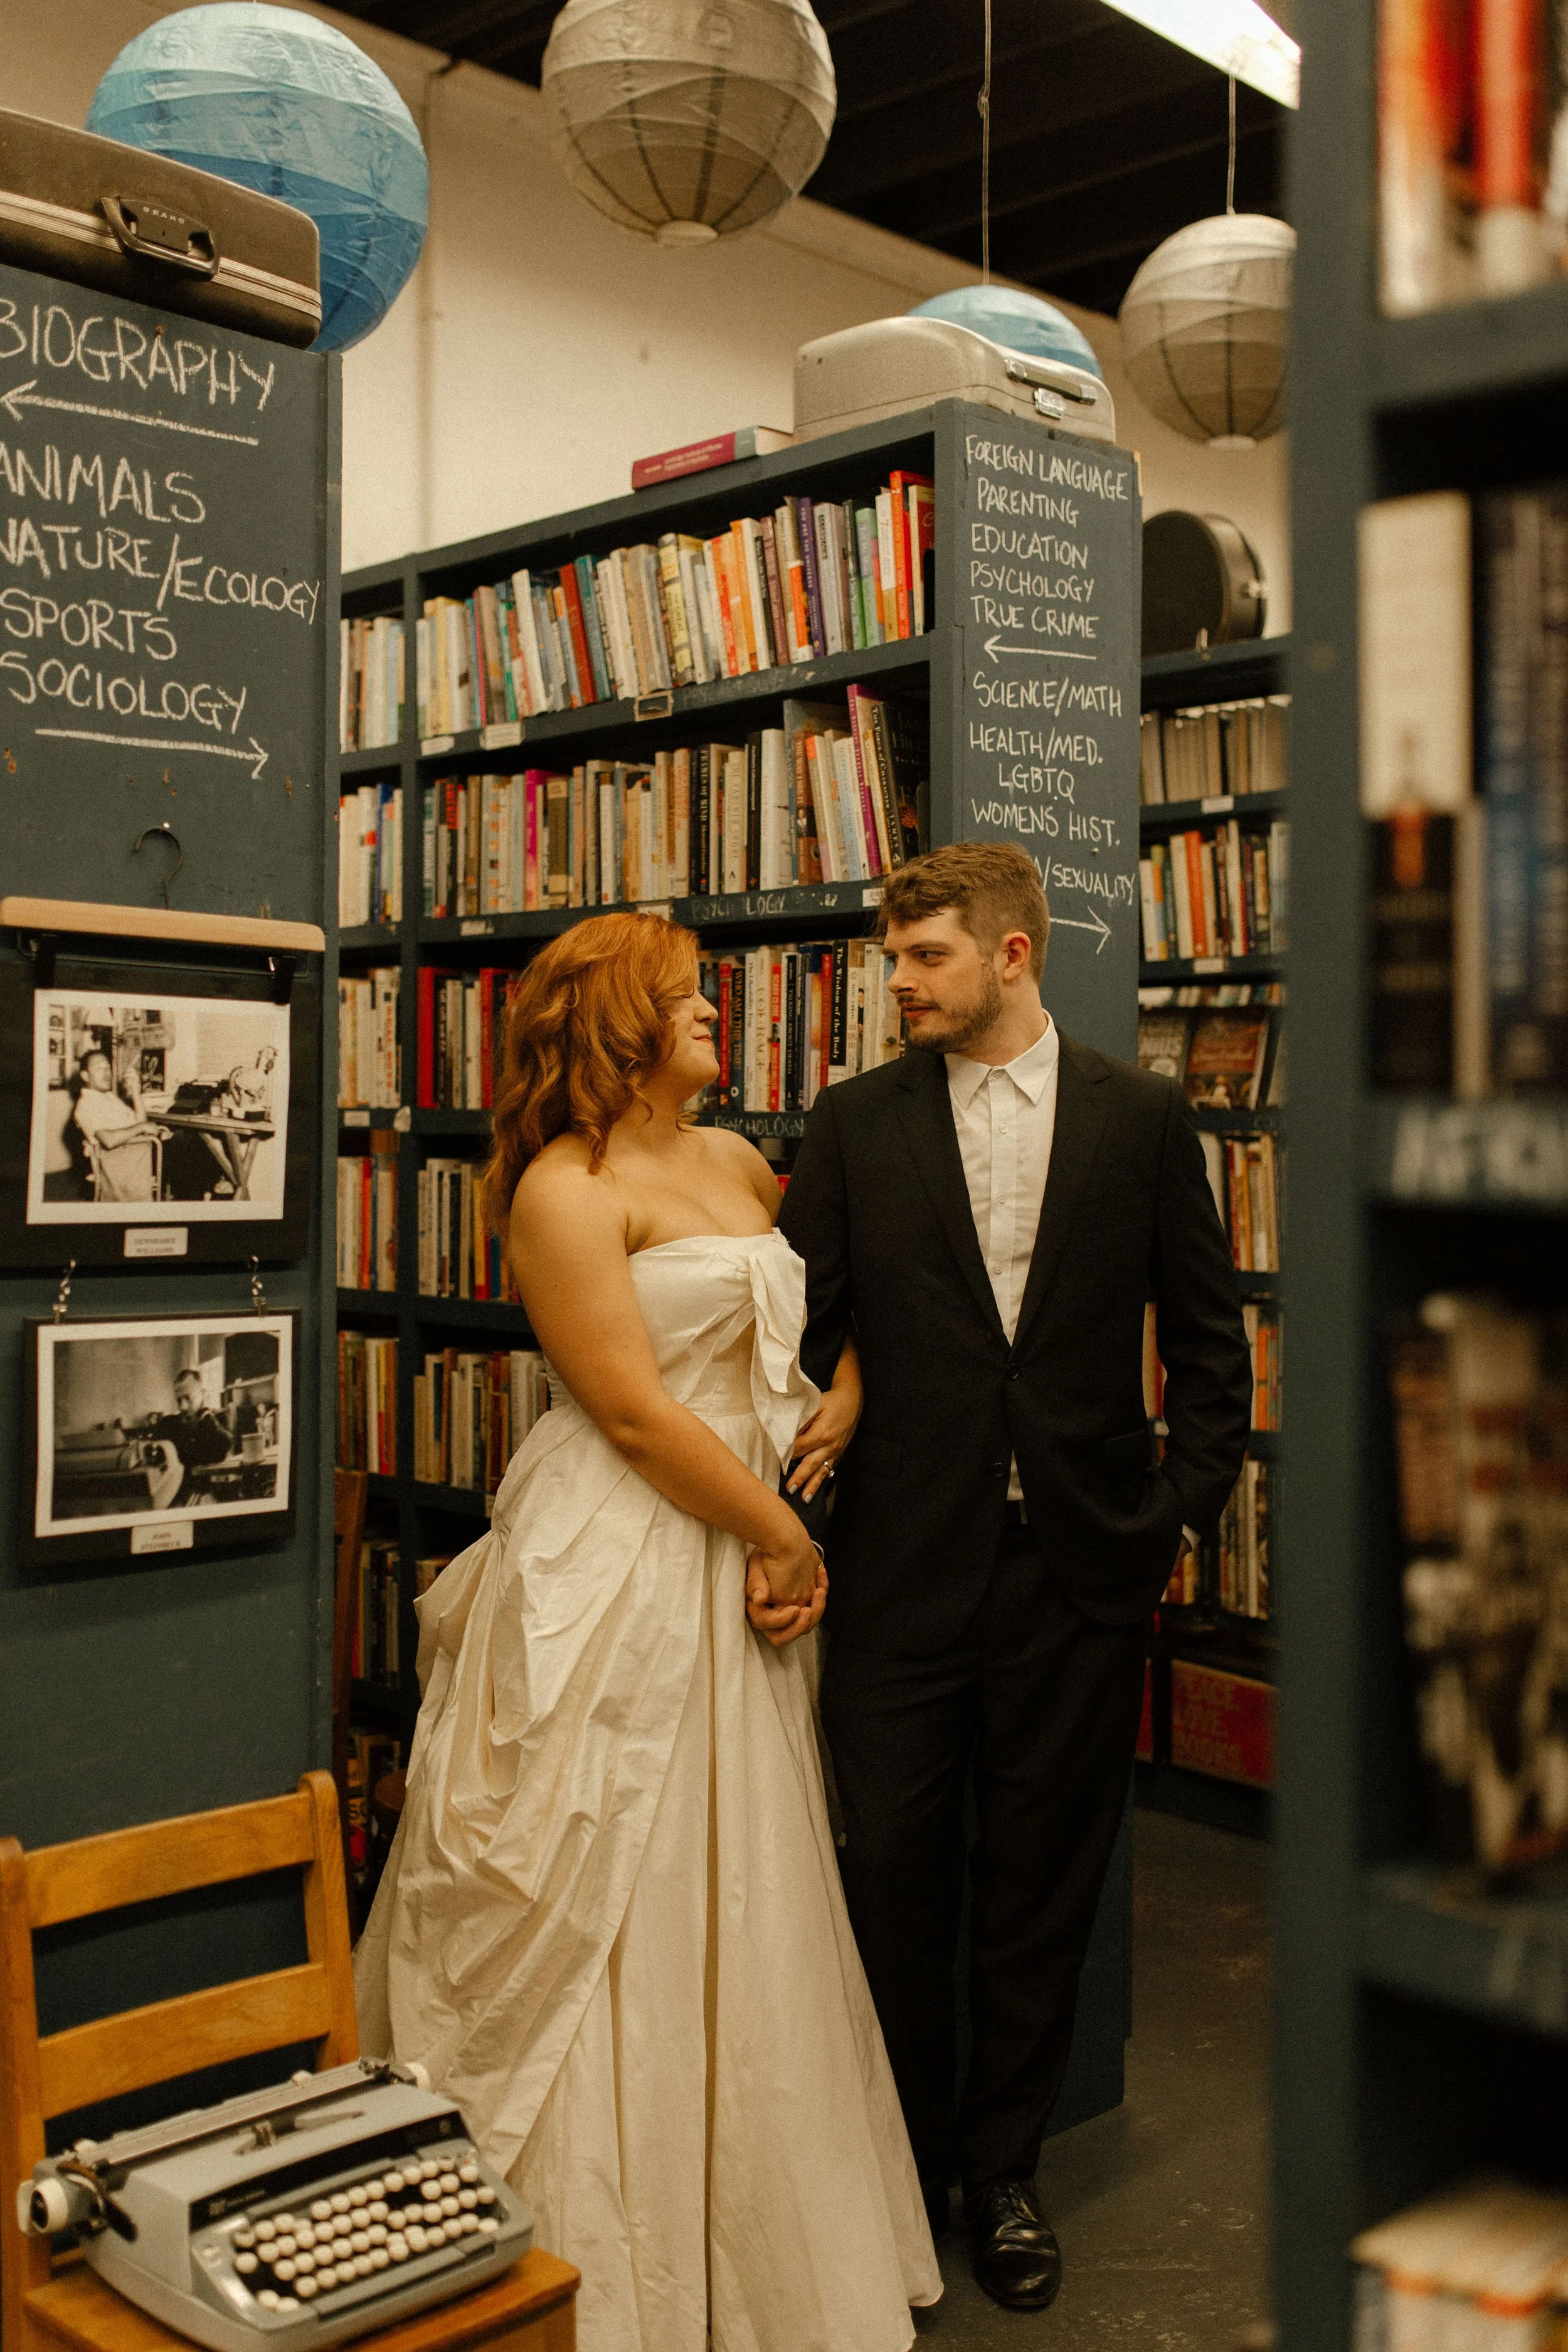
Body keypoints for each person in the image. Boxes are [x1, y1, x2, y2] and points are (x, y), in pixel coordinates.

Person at [354, 911, 940, 2352]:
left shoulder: (738, 1159)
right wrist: (779, 1526)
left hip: (740, 1541)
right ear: (617, 1019)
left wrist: (843, 1393)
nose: (714, 1016)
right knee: (603, 1863)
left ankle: (747, 2246)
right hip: (626, 1559)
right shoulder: (565, 1187)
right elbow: (626, 1407)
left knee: (741, 1871)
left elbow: (812, 1305)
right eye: (686, 1000)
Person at [778, 842, 1253, 2314]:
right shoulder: (854, 1120)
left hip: (1076, 1571)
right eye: (892, 959)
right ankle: (899, 2169)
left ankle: (1002, 2170)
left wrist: (1168, 1507)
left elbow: (1211, 1340)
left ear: (1011, 954)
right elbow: (795, 1320)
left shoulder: (1142, 1114)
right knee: (893, 1878)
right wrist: (847, 1399)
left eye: (924, 957)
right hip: (899, 1570)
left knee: (1044, 1887)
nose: (898, 984)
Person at [72, 1047, 167, 1201]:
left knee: (189, 1144)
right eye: (99, 1069)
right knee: (192, 1149)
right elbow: (109, 1141)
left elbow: (141, 1124)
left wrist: (136, 1091)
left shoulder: (109, 1097)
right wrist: (142, 1128)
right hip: (123, 1164)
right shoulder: (87, 1104)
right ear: (85, 1076)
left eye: (108, 1068)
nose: (107, 1072)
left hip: (138, 1153)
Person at [144, 1364, 233, 1507]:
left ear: (202, 1394)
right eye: (179, 1400)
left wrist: (207, 1419)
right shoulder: (167, 1425)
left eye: (188, 1398)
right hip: (174, 1498)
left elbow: (224, 1448)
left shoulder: (216, 1419)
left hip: (206, 1496)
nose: (183, 1407)